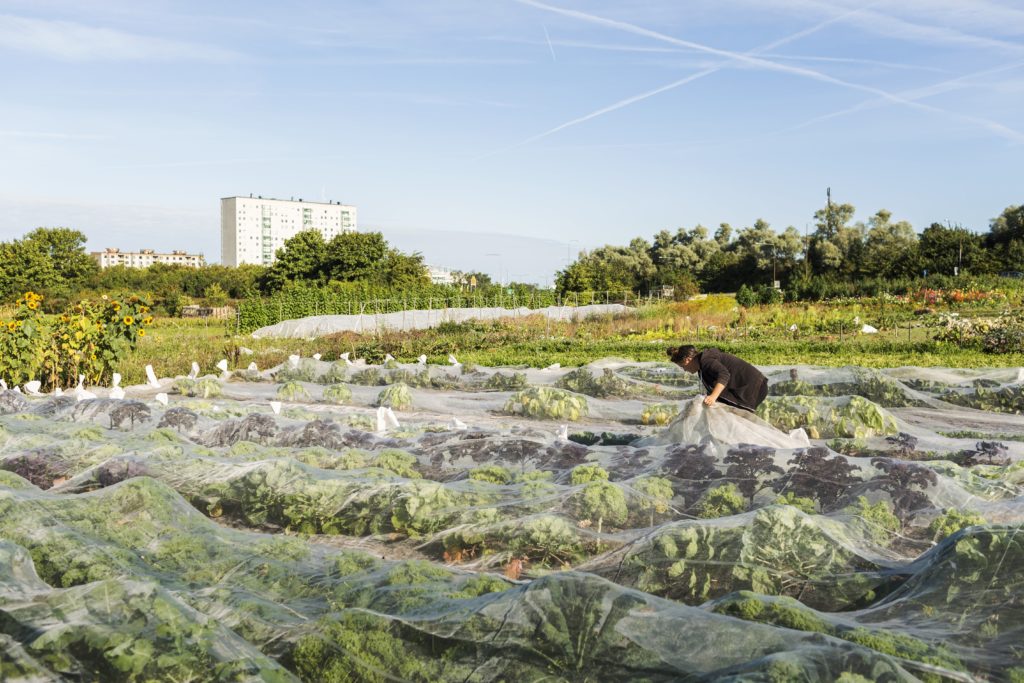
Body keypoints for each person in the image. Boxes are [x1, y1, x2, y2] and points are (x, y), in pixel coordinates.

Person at [667, 345, 768, 412]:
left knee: (740, 422)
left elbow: (724, 374)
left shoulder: (706, 360)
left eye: (683, 366)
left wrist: (713, 397)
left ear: (687, 360)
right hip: (749, 387)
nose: (685, 370)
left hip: (754, 386)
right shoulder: (701, 369)